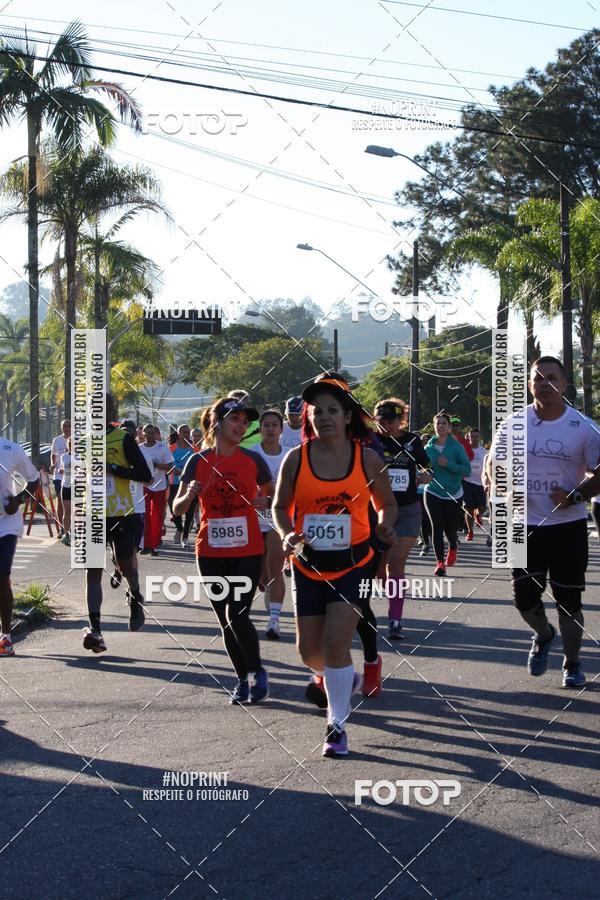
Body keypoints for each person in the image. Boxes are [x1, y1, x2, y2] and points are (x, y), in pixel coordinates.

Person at [273, 372, 397, 758]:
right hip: (308, 564)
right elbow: (280, 507)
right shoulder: (296, 459)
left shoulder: (367, 458)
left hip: (354, 563)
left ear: (347, 417)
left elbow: (387, 504)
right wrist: (285, 534)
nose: (324, 417)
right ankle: (342, 677)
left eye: (332, 410)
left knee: (336, 642)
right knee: (310, 654)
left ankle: (336, 726)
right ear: (308, 418)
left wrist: (384, 525)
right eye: (316, 411)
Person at [489, 356, 600, 689]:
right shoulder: (512, 423)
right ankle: (543, 633)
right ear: (529, 384)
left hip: (568, 527)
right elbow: (495, 465)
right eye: (538, 379)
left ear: (564, 384)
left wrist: (575, 496)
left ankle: (573, 663)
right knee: (523, 598)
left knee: (569, 602)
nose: (545, 384)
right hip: (523, 524)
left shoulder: (583, 428)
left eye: (552, 378)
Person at [174, 397, 272, 704]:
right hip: (210, 550)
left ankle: (257, 671)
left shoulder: (252, 460)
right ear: (217, 423)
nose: (242, 425)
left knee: (237, 611)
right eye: (235, 419)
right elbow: (176, 510)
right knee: (224, 619)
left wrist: (264, 502)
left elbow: (274, 495)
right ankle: (243, 679)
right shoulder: (197, 461)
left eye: (245, 421)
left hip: (247, 548)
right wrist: (189, 495)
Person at [83, 394, 152, 654]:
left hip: (124, 513)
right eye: (92, 408)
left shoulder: (123, 439)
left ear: (111, 410)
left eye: (102, 408)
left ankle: (135, 596)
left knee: (125, 566)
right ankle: (96, 630)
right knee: (92, 571)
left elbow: (145, 475)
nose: (96, 412)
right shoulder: (85, 440)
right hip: (94, 514)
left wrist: (114, 468)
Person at [374, 398, 432, 640]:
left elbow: (426, 467)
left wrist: (426, 475)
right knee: (378, 571)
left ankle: (395, 619)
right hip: (377, 511)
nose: (385, 425)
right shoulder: (371, 441)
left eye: (390, 421)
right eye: (381, 421)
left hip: (408, 510)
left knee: (395, 563)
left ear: (401, 420)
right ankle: (392, 595)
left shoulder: (411, 441)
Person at [0, 440, 39, 656]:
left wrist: (19, 500)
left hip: (6, 525)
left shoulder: (10, 449)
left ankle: (6, 637)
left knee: (1, 577)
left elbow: (33, 480)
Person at [253, 409, 287, 639]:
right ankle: (264, 585)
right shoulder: (250, 454)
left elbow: (294, 491)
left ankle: (274, 620)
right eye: (266, 424)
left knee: (275, 568)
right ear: (260, 429)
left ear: (281, 429)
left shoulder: (290, 455)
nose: (271, 428)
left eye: (275, 424)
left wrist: (270, 500)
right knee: (260, 574)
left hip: (278, 518)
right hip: (252, 519)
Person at [423, 414, 471, 577]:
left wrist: (448, 464)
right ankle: (440, 563)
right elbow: (422, 467)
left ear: (449, 427)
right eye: (438, 423)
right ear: (434, 426)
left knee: (449, 529)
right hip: (433, 491)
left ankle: (453, 545)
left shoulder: (456, 447)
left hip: (453, 493)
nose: (441, 426)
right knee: (436, 528)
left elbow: (467, 469)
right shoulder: (428, 448)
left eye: (444, 423)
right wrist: (424, 474)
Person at [141, 424, 173, 557]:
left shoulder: (163, 447)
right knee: (145, 516)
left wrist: (155, 464)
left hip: (160, 486)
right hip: (144, 486)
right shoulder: (139, 449)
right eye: (147, 433)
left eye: (152, 432)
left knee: (157, 516)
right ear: (142, 434)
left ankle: (154, 545)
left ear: (156, 433)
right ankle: (146, 545)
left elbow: (170, 466)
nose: (150, 435)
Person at [169, 424, 195, 545]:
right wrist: (174, 469)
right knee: (175, 511)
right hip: (174, 483)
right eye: (183, 432)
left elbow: (199, 465)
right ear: (179, 434)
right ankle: (179, 528)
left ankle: (185, 537)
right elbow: (167, 464)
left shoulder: (194, 449)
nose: (186, 434)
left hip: (191, 484)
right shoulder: (171, 448)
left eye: (187, 432)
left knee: (190, 511)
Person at [462, 427, 488, 541]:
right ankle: (470, 531)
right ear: (469, 437)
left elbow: (488, 467)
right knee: (468, 508)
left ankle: (479, 514)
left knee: (482, 508)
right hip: (467, 482)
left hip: (480, 483)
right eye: (473, 436)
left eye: (477, 436)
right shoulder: (464, 450)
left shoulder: (484, 452)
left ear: (479, 437)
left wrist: (488, 481)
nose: (475, 438)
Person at [51, 419, 70, 537]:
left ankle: (70, 528)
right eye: (65, 426)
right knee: (60, 502)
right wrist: (53, 464)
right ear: (61, 428)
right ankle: (61, 529)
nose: (67, 428)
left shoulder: (76, 439)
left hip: (73, 478)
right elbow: (53, 454)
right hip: (59, 477)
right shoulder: (57, 440)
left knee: (72, 505)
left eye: (69, 426)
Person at [58, 438, 73, 546]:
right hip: (66, 485)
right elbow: (61, 469)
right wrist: (60, 470)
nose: (73, 446)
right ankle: (66, 533)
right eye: (71, 444)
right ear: (68, 445)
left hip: (78, 486)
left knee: (77, 512)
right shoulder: (64, 456)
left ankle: (76, 533)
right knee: (66, 511)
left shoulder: (81, 456)